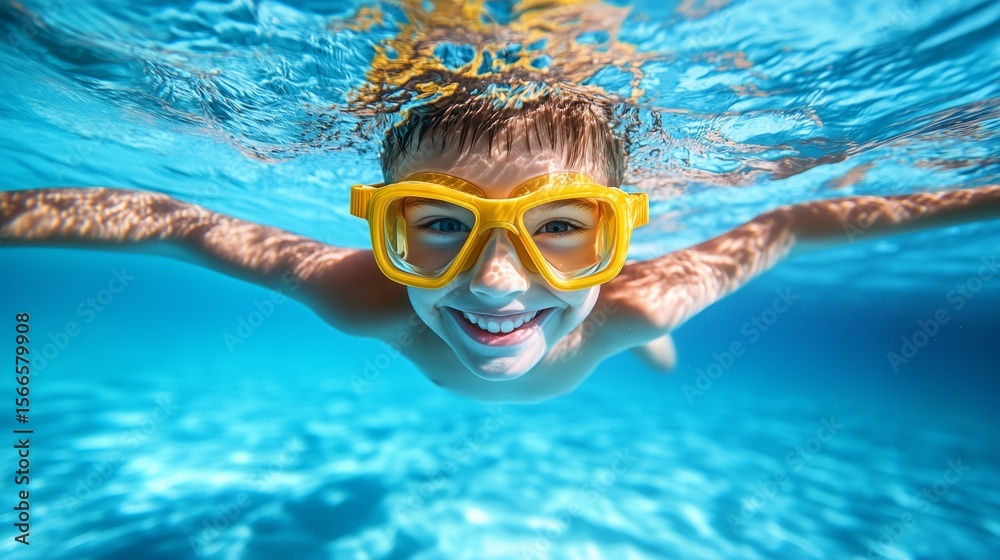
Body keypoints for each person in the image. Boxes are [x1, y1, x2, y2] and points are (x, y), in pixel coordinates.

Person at [2, 91, 999, 403]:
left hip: (610, 332)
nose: (490, 279)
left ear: (614, 239)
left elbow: (795, 218)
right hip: (585, 327)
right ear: (385, 230)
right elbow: (173, 219)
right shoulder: (367, 294)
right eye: (436, 223)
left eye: (563, 226)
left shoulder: (634, 299)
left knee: (647, 337)